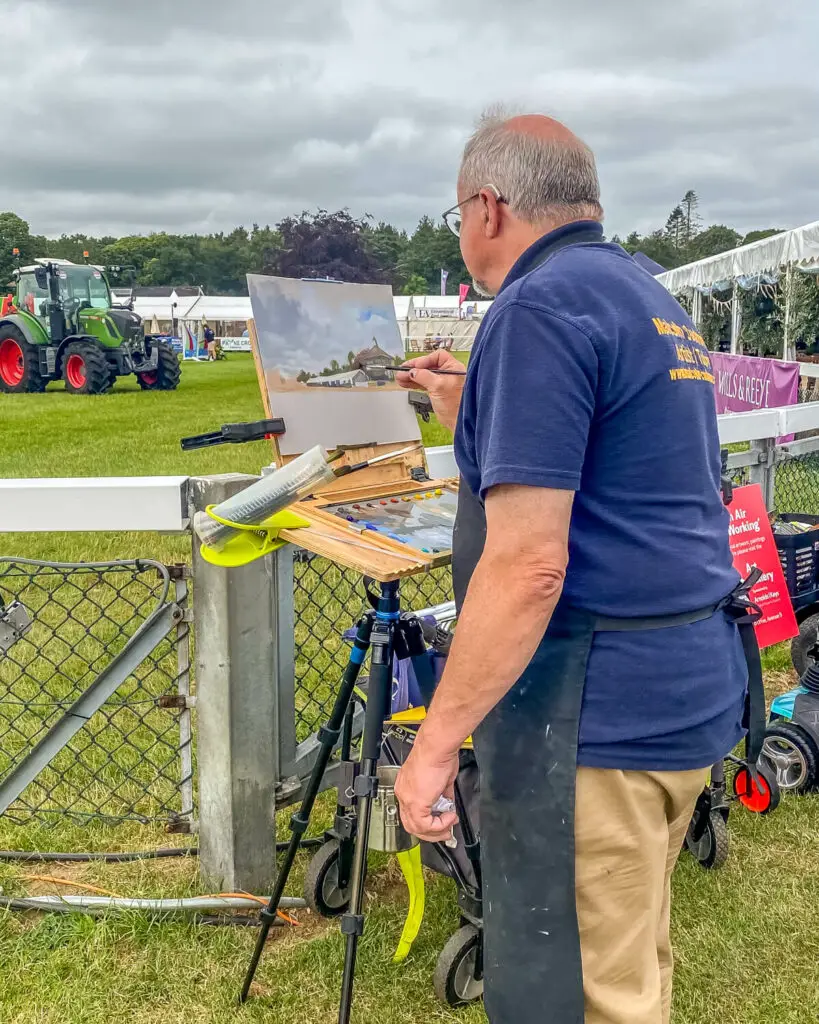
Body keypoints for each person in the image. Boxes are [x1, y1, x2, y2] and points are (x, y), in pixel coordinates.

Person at [394, 112, 759, 1024]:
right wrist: (466, 398)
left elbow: (527, 567)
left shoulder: (536, 306)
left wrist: (433, 751)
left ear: (486, 206)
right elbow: (608, 453)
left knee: (586, 996)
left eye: (457, 215)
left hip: (598, 720)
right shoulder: (638, 291)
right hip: (681, 691)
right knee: (629, 962)